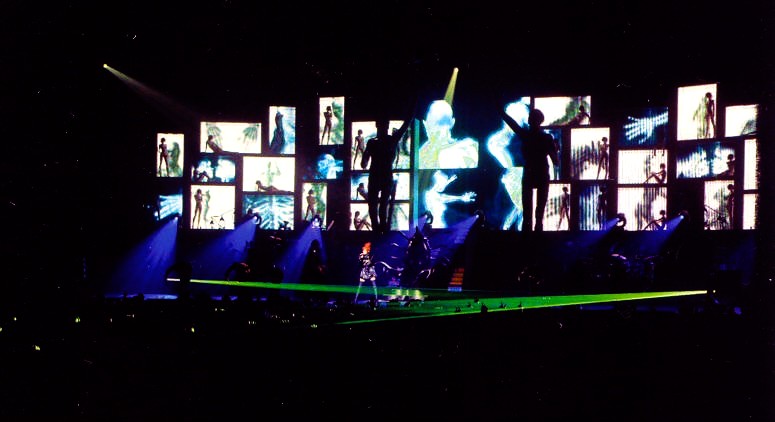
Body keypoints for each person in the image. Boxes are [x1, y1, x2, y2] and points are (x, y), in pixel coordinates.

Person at [499, 105, 559, 231]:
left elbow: (513, 125)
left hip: (530, 172)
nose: (528, 120)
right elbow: (556, 161)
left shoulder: (526, 135)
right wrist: (554, 149)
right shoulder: (546, 138)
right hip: (542, 172)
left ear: (531, 120)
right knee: (539, 213)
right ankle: (537, 236)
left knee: (528, 212)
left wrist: (502, 113)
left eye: (530, 118)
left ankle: (528, 240)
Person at [361, 112, 413, 235]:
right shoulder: (375, 142)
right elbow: (364, 162)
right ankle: (379, 231)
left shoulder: (383, 141)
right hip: (379, 177)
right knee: (377, 207)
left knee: (379, 207)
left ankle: (380, 232)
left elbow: (364, 163)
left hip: (380, 177)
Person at [418, 99, 479, 169]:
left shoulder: (467, 148)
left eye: (442, 122)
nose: (438, 131)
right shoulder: (421, 154)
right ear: (425, 124)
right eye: (435, 124)